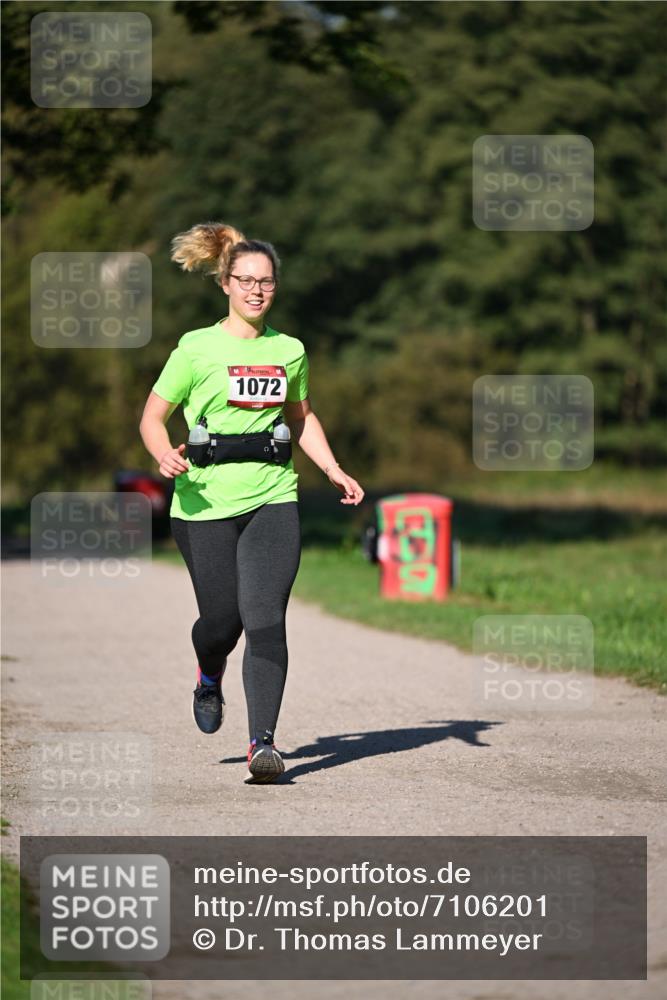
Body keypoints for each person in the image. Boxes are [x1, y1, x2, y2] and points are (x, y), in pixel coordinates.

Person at [139, 222, 364, 784]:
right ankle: (208, 672)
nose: (256, 291)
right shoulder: (195, 348)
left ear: (275, 287)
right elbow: (151, 417)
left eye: (266, 282)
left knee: (266, 620)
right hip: (203, 504)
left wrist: (333, 469)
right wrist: (162, 452)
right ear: (225, 284)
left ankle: (263, 744)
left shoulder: (289, 351)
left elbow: (301, 418)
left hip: (272, 496)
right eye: (246, 281)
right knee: (223, 622)